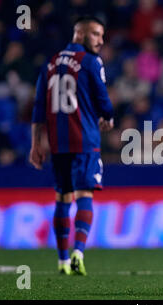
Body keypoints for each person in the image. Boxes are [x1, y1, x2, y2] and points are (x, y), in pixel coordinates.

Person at [29, 16, 114, 276]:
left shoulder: (51, 63)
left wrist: (35, 144)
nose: (101, 41)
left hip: (57, 143)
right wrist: (108, 116)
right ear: (79, 33)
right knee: (84, 195)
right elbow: (103, 99)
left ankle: (62, 261)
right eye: (96, 34)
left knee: (62, 198)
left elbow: (38, 108)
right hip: (85, 141)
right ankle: (78, 251)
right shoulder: (90, 62)